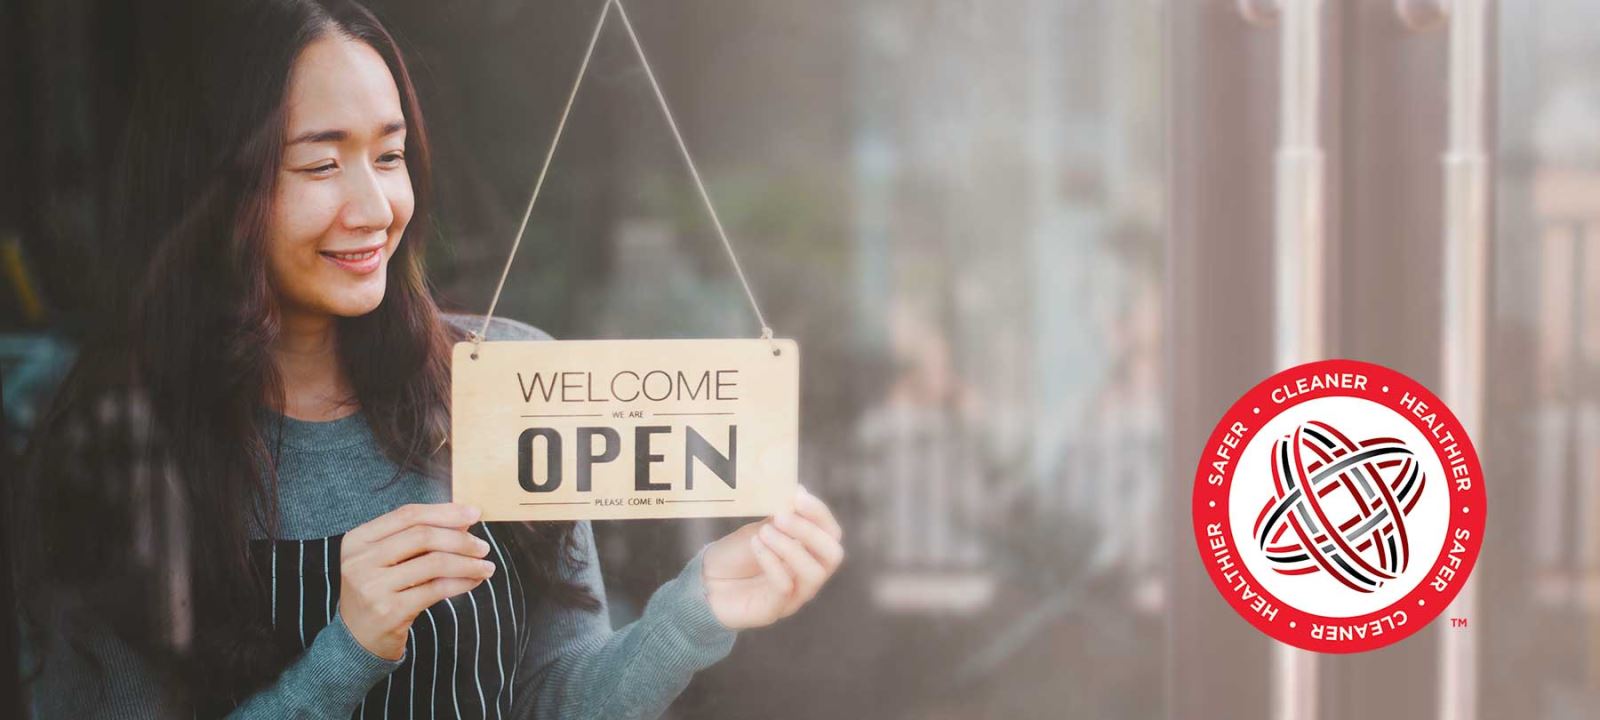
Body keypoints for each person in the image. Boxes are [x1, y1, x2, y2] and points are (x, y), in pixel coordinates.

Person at [6, 1, 844, 717]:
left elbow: (556, 698)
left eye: (390, 155)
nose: (374, 207)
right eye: (321, 164)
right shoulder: (119, 447)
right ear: (218, 195)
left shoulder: (506, 377)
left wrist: (694, 614)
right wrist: (350, 649)